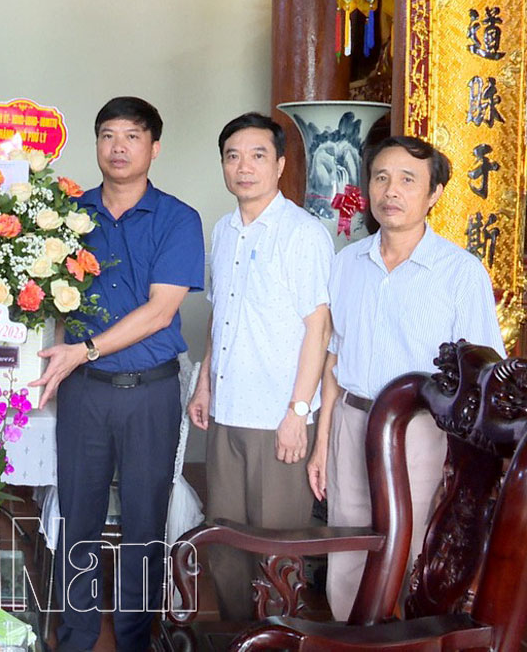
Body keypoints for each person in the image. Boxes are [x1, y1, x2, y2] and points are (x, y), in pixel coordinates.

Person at [308, 135, 505, 620]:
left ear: (434, 194)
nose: (390, 191)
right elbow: (334, 358)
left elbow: (483, 372)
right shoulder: (346, 263)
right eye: (381, 177)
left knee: (410, 547)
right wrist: (320, 443)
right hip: (351, 421)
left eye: (407, 180)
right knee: (348, 549)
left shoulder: (460, 272)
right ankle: (348, 645)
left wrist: (459, 461)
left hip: (421, 430)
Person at [33, 96, 204, 652]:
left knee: (143, 526)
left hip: (150, 393)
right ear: (97, 144)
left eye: (132, 136)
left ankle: (135, 639)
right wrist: (57, 362)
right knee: (77, 520)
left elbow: (160, 311)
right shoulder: (66, 217)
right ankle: (77, 637)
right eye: (108, 135)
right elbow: (47, 304)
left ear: (154, 147)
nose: (119, 147)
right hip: (83, 395)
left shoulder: (179, 219)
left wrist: (83, 350)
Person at [187, 113, 332, 620]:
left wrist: (298, 411)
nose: (243, 167)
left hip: (278, 421)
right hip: (226, 411)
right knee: (224, 538)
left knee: (276, 547)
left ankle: (278, 635)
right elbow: (218, 317)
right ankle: (236, 635)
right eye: (233, 156)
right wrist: (203, 384)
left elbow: (318, 327)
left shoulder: (303, 234)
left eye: (257, 156)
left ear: (281, 164)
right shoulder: (224, 231)